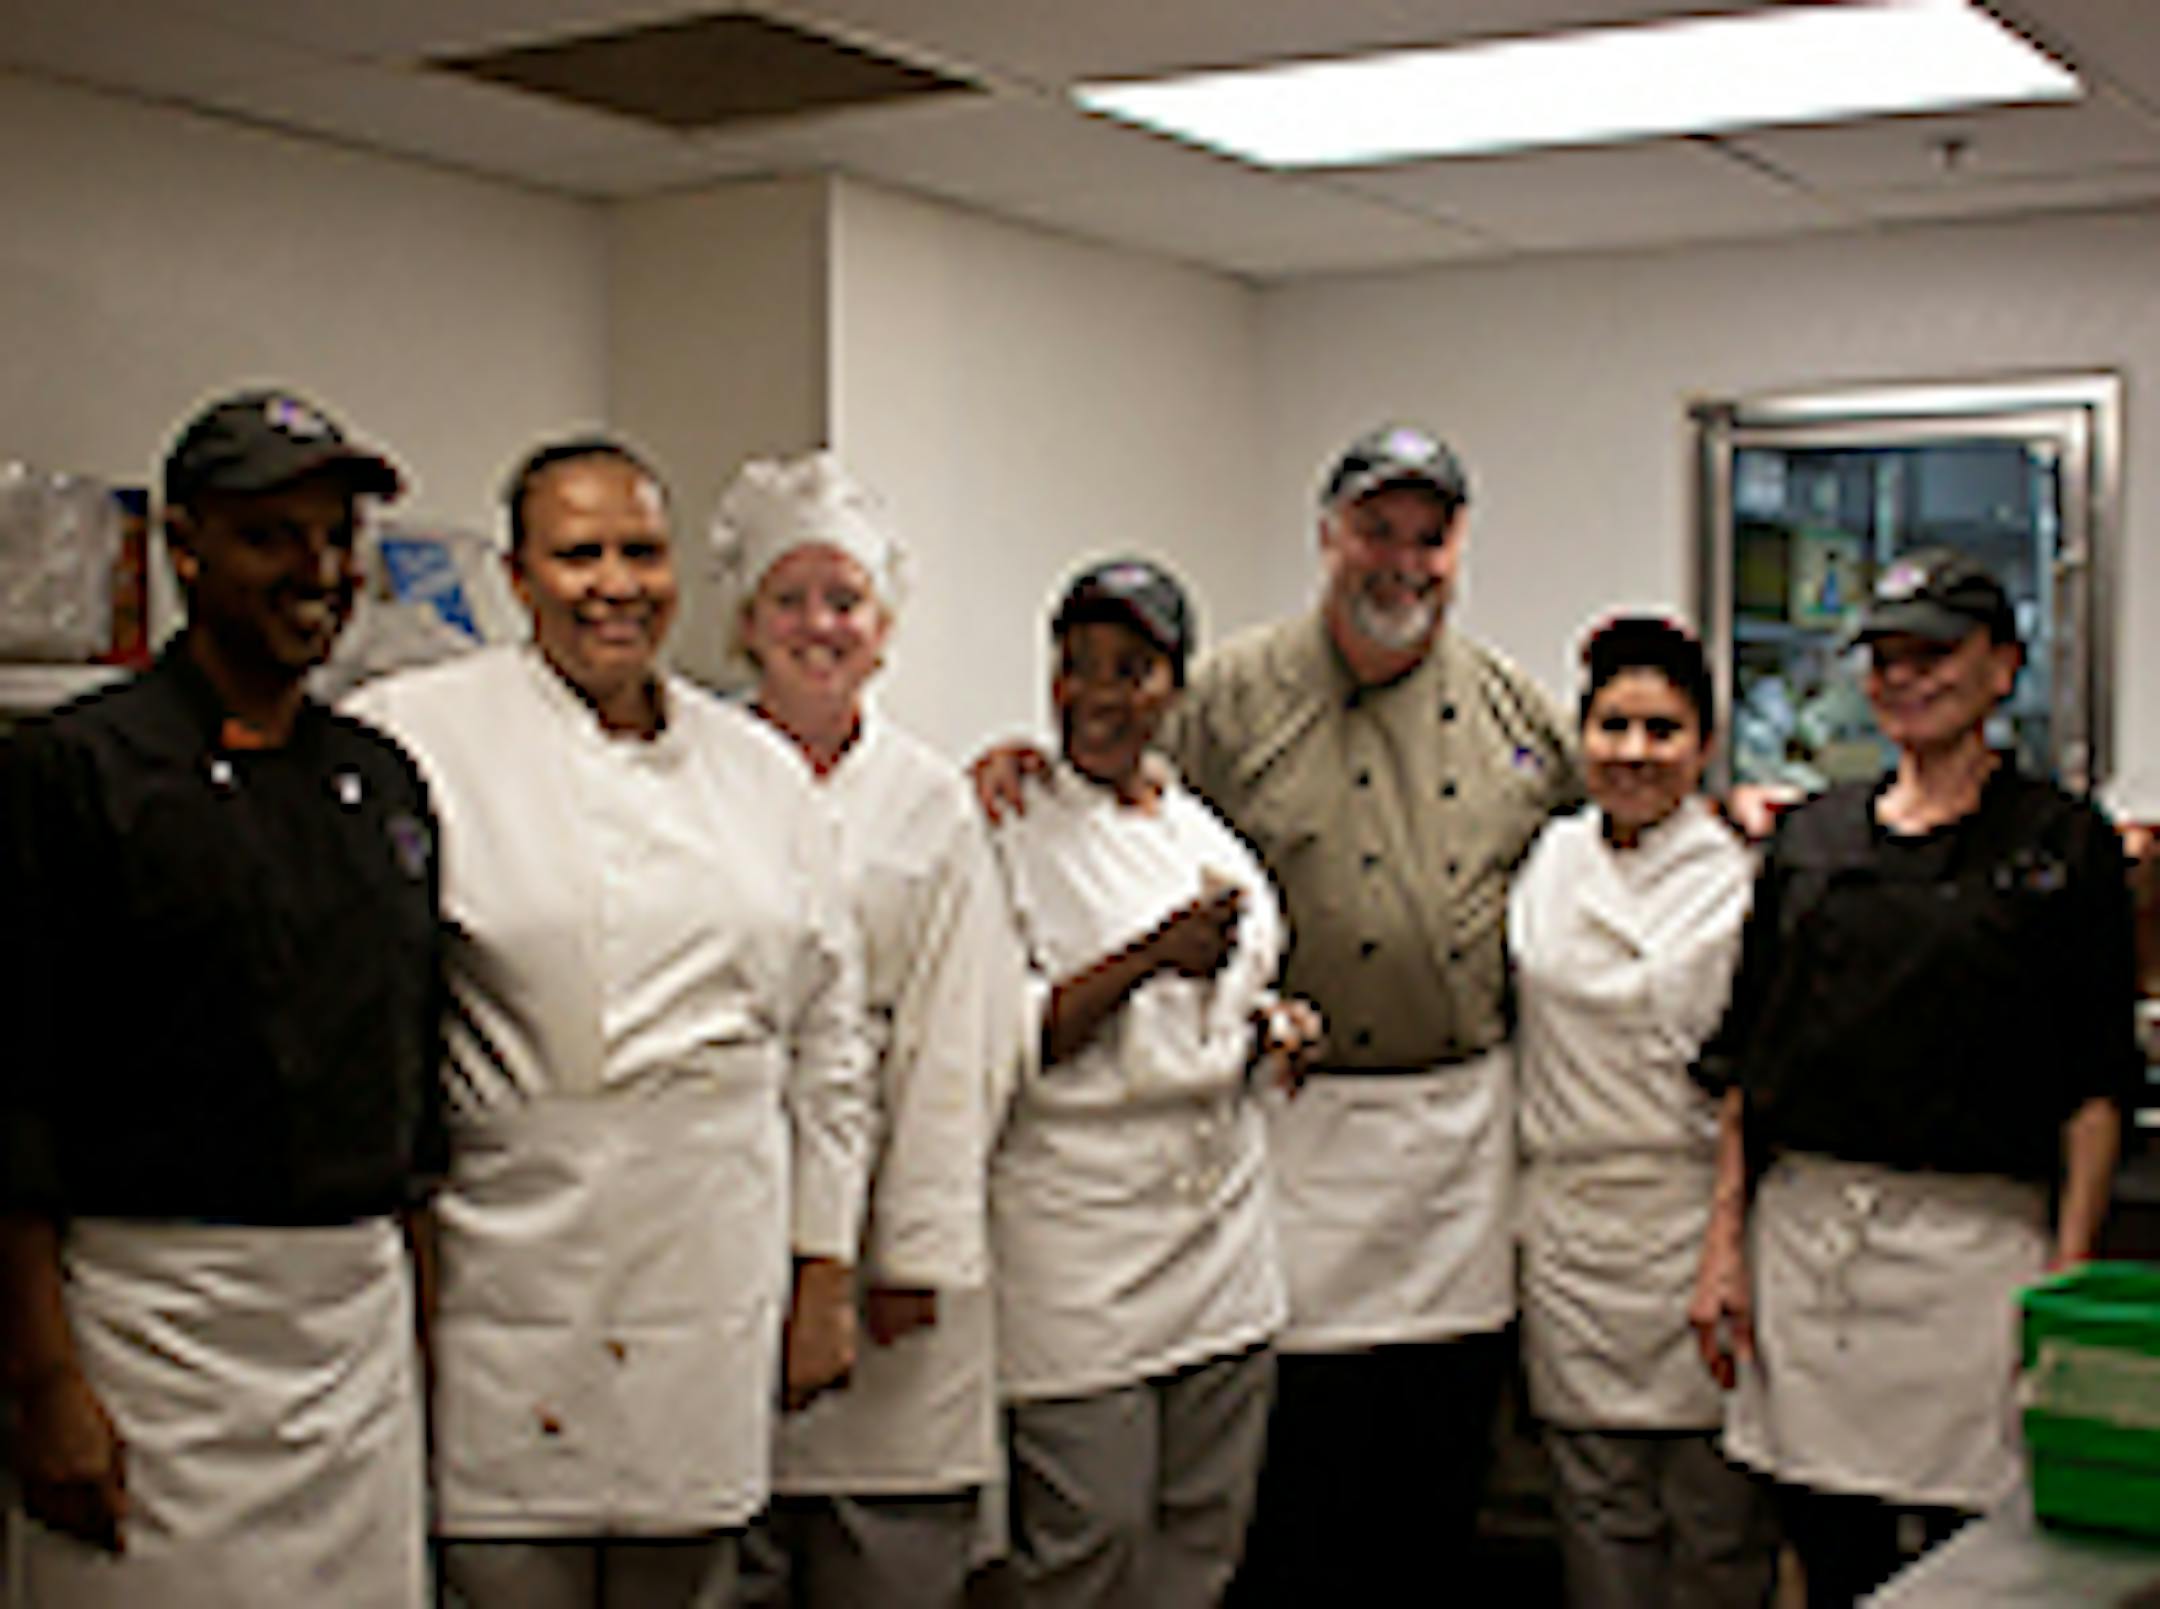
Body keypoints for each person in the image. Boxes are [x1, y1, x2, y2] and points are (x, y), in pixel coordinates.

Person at [346, 438, 875, 1609]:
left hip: (709, 1261)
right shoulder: (414, 735)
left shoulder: (759, 771)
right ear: (520, 575)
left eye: (640, 550)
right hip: (508, 1275)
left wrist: (825, 1268)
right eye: (577, 554)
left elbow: (830, 1041)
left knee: (689, 1578)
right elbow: (377, 1020)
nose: (614, 583)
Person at [0, 388, 443, 1608]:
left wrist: (423, 1342)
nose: (317, 572)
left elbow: (410, 1090)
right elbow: (14, 1103)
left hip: (352, 1337)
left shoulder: (384, 782)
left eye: (335, 539)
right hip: (155, 1329)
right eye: (271, 537)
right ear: (182, 546)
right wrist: (43, 1385)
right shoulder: (75, 770)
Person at [1689, 550, 2138, 1606]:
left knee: (1979, 1562)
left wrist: (2063, 1281)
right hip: (1810, 1251)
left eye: (1934, 654)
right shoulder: (1811, 838)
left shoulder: (2061, 846)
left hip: (1975, 1259)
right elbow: (1751, 1061)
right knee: (1824, 1539)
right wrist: (1723, 1247)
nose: (1904, 678)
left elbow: (2093, 1084)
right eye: (1885, 658)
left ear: (2003, 668)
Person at [711, 453, 1024, 1609]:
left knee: (885, 1551)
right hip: (728, 1222)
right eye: (789, 599)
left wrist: (907, 1253)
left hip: (896, 1267)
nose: (818, 625)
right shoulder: (697, 776)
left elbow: (961, 1042)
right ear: (745, 622)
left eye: (844, 601)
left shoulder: (933, 802)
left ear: (884, 630)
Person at [988, 558, 1323, 1608]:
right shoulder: (1007, 825)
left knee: (1198, 1541)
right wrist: (1148, 959)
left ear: (1174, 687)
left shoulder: (1195, 831)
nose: (1097, 693)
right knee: (1088, 1536)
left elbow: (1231, 992)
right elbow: (1014, 1037)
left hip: (1219, 1249)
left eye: (1130, 669)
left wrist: (1272, 1024)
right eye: (1076, 665)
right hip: (1081, 1252)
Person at [1508, 616, 1776, 1609]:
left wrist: (1728, 1242)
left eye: (1662, 730)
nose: (1632, 752)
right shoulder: (1547, 857)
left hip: (1695, 1222)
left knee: (1715, 1522)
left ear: (1705, 746)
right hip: (1569, 1227)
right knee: (1595, 1510)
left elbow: (1759, 1067)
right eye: (1612, 725)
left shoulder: (1748, 874)